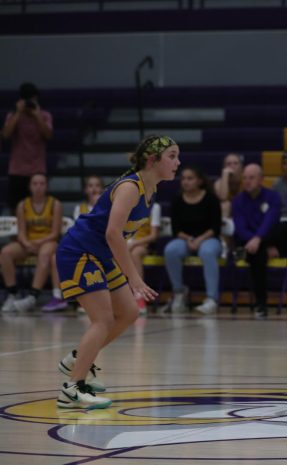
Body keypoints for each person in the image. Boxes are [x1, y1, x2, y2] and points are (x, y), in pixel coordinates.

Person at [54, 135, 179, 409]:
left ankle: (78, 359)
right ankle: (72, 387)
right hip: (80, 251)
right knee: (102, 320)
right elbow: (113, 233)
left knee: (129, 313)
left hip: (100, 255)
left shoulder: (150, 190)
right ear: (152, 159)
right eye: (172, 156)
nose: (178, 162)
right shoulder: (130, 187)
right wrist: (134, 277)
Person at [232, 164, 287, 319]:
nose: (247, 181)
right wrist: (254, 241)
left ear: (261, 179)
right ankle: (261, 303)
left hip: (266, 238)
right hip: (250, 244)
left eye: (251, 178)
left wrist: (259, 239)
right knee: (256, 254)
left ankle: (265, 247)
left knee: (285, 226)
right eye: (244, 178)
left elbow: (270, 221)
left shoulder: (273, 197)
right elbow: (240, 228)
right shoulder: (237, 201)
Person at [163, 166, 222, 315]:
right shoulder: (177, 200)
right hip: (185, 239)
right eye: (183, 179)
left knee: (207, 252)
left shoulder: (211, 198)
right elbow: (176, 229)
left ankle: (211, 299)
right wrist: (189, 239)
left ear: (199, 181)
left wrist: (200, 240)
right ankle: (179, 292)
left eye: (190, 178)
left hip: (209, 238)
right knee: (170, 250)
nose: (186, 182)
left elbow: (215, 227)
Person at [0, 173, 63, 312]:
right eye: (35, 184)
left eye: (42, 184)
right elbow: (21, 231)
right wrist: (27, 243)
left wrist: (38, 243)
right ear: (30, 186)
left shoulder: (55, 204)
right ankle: (12, 294)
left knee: (46, 252)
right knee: (5, 252)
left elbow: (55, 233)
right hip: (28, 242)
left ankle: (33, 296)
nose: (38, 187)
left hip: (48, 241)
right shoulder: (23, 205)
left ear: (46, 186)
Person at [42, 175, 104, 312]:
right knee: (56, 257)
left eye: (97, 185)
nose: (94, 188)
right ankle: (59, 297)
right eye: (90, 185)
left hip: (101, 245)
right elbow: (82, 229)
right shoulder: (79, 208)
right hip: (83, 245)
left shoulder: (106, 206)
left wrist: (97, 206)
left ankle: (95, 299)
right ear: (85, 190)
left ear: (102, 189)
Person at [2, 82, 53, 213]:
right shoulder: (13, 116)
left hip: (37, 170)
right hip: (17, 171)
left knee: (39, 209)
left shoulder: (45, 115)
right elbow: (5, 134)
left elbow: (48, 135)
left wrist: (37, 115)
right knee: (16, 210)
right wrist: (18, 112)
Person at [127, 202, 161, 315]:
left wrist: (134, 243)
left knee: (135, 254)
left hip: (144, 244)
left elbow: (153, 236)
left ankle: (139, 295)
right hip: (126, 242)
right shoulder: (127, 204)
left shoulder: (154, 207)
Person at [214, 153, 244, 219]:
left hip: (244, 209)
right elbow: (223, 197)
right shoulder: (219, 183)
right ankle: (225, 228)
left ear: (241, 167)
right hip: (229, 213)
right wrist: (225, 175)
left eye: (235, 163)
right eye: (228, 164)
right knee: (224, 205)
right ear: (224, 167)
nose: (232, 166)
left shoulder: (246, 179)